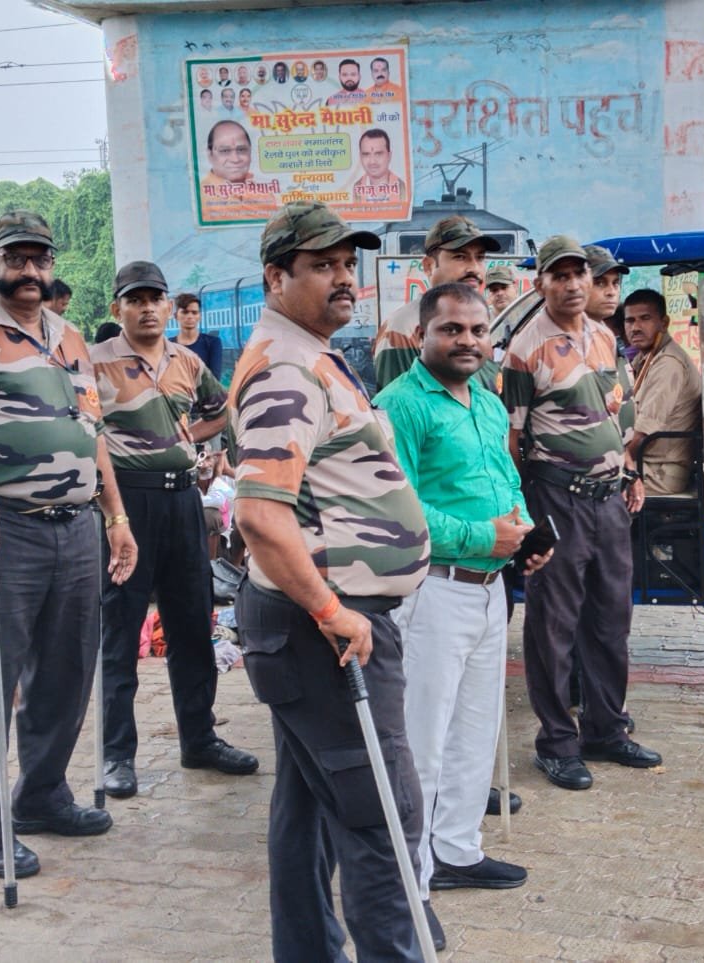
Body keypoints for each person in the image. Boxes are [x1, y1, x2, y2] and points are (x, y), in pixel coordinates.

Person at [229, 201, 440, 958]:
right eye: (322, 265)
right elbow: (260, 514)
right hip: (325, 627)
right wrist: (330, 610)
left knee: (310, 807)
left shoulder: (311, 351)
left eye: (348, 263)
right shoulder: (285, 368)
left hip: (317, 621)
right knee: (379, 813)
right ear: (275, 277)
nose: (344, 278)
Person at [0, 210, 137, 879]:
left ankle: (41, 794)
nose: (30, 270)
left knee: (68, 671)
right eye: (17, 258)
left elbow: (92, 432)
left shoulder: (71, 338)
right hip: (1, 531)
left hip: (76, 528)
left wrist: (116, 515)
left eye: (40, 258)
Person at [375, 282, 548, 906]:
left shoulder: (489, 402)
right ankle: (410, 880)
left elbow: (506, 482)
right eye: (451, 329)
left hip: (489, 588)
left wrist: (525, 534)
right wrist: (483, 536)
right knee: (421, 739)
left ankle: (456, 849)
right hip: (433, 591)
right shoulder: (399, 405)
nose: (468, 341)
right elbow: (398, 508)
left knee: (477, 729)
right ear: (421, 334)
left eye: (478, 330)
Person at [91, 260, 258, 800]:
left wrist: (191, 442)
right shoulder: (95, 362)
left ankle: (200, 739)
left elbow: (220, 410)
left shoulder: (187, 361)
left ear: (167, 306)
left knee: (192, 624)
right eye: (135, 300)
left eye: (155, 299)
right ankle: (117, 754)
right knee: (120, 630)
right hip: (127, 505)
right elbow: (82, 432)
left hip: (183, 501)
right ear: (117, 308)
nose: (147, 309)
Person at [502, 236, 662, 792]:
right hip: (557, 499)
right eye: (560, 275)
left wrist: (630, 473)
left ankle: (606, 730)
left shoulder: (603, 337)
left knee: (611, 620)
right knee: (554, 625)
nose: (572, 285)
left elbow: (620, 413)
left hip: (609, 499)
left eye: (580, 275)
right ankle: (556, 743)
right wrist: (523, 514)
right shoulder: (526, 349)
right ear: (541, 283)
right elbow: (513, 440)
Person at [373, 214, 501, 391]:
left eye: (479, 258)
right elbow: (400, 404)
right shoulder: (403, 327)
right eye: (460, 257)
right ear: (429, 266)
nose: (474, 268)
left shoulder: (482, 324)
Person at [624, 288, 703, 495]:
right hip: (646, 464)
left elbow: (642, 433)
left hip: (658, 472)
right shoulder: (645, 358)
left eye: (645, 319)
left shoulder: (667, 364)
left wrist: (616, 461)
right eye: (630, 321)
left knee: (587, 485)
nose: (635, 328)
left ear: (664, 323)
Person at [171, 292, 223, 380]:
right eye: (185, 312)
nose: (190, 316)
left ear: (200, 316)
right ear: (176, 316)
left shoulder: (212, 343)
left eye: (194, 313)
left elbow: (214, 378)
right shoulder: (168, 345)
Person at [352, 128, 406, 206]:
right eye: (366, 154)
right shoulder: (356, 188)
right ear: (360, 157)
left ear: (389, 156)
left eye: (378, 154)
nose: (372, 161)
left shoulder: (403, 188)